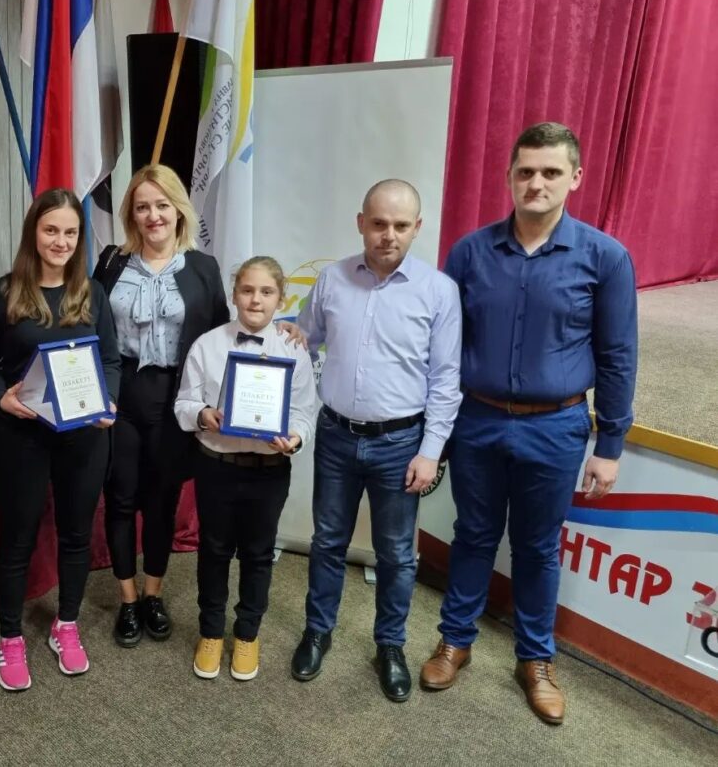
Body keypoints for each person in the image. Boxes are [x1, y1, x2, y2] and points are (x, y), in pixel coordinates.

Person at [423, 122, 637, 725]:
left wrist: (610, 444)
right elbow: (442, 347)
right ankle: (455, 640)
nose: (536, 183)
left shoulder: (605, 258)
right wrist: (437, 428)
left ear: (575, 177)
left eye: (550, 172)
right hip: (478, 421)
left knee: (539, 548)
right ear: (509, 177)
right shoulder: (469, 253)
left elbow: (618, 355)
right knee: (473, 534)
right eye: (525, 172)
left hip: (557, 427)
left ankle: (536, 660)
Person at [288, 180, 462, 702]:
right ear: (361, 222)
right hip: (336, 437)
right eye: (379, 223)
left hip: (401, 444)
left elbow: (446, 380)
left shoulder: (438, 291)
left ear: (417, 228)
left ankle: (390, 646)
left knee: (397, 554)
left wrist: (431, 451)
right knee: (327, 541)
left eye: (401, 225)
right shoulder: (332, 279)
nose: (389, 235)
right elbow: (302, 340)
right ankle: (317, 632)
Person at [0, 188, 121, 691]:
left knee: (77, 535)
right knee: (17, 538)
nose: (61, 241)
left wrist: (108, 401)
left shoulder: (92, 292)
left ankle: (67, 625)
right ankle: (10, 637)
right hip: (22, 434)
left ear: (80, 238)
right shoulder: (2, 293)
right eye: (51, 229)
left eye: (70, 232)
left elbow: (110, 361)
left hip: (84, 436)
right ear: (33, 232)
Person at [92, 164, 229, 647]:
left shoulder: (203, 268)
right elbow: (89, 325)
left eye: (162, 205)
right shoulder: (112, 262)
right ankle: (127, 599)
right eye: (143, 206)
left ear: (178, 210)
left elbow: (221, 336)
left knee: (162, 501)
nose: (153, 215)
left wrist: (283, 332)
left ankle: (153, 594)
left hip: (176, 398)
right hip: (121, 394)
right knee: (121, 498)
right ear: (132, 214)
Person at [174, 257, 318, 681]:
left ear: (281, 299)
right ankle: (211, 631)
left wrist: (295, 438)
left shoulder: (293, 348)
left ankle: (248, 633)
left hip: (269, 471)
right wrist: (204, 415)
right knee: (214, 550)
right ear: (234, 294)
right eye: (248, 290)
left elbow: (305, 411)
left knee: (258, 553)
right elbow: (184, 403)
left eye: (266, 292)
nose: (256, 299)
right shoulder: (207, 345)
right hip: (216, 465)